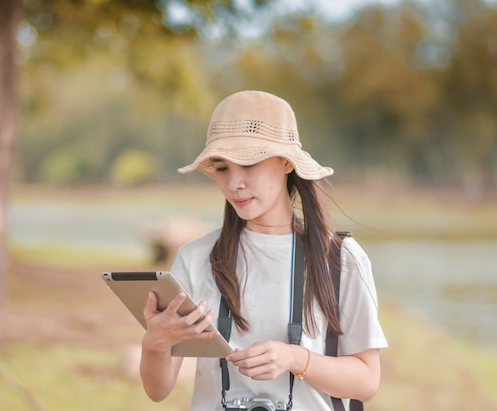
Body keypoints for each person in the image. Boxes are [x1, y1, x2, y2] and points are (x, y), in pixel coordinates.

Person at [139, 90, 388, 411]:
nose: (234, 183)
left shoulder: (341, 258)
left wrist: (296, 358)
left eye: (249, 163)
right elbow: (158, 390)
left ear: (286, 162)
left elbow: (367, 382)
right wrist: (156, 343)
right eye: (222, 167)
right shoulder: (195, 257)